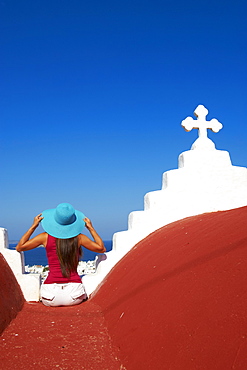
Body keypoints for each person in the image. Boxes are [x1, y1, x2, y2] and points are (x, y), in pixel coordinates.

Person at [16, 203, 106, 307]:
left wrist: (33, 226)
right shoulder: (79, 238)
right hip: (74, 295)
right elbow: (101, 248)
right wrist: (90, 228)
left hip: (50, 296)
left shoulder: (44, 237)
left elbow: (20, 247)